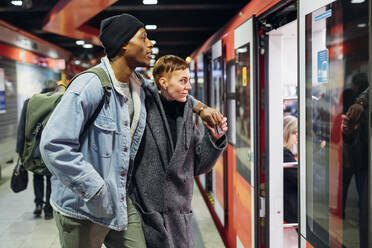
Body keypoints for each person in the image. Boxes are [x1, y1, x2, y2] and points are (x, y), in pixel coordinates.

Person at [40, 14, 222, 248]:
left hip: (121, 201)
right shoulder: (90, 85)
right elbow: (54, 145)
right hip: (82, 207)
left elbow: (170, 91)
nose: (150, 44)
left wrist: (200, 108)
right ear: (124, 43)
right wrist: (96, 190)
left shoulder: (137, 85)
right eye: (144, 38)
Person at [129, 55, 228, 248]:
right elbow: (145, 83)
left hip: (179, 217)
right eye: (183, 81)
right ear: (164, 82)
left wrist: (215, 140)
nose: (189, 86)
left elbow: (199, 166)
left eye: (188, 80)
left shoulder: (187, 115)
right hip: (147, 216)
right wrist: (201, 107)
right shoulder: (142, 104)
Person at [15, 80, 57, 220]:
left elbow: (22, 127)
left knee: (37, 175)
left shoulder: (29, 102)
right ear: (53, 89)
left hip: (33, 148)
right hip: (51, 148)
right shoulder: (58, 102)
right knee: (51, 178)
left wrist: (19, 149)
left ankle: (38, 204)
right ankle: (49, 210)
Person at [283, 115, 298, 223]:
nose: (296, 137)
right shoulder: (285, 153)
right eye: (294, 133)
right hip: (290, 211)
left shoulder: (284, 152)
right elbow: (298, 178)